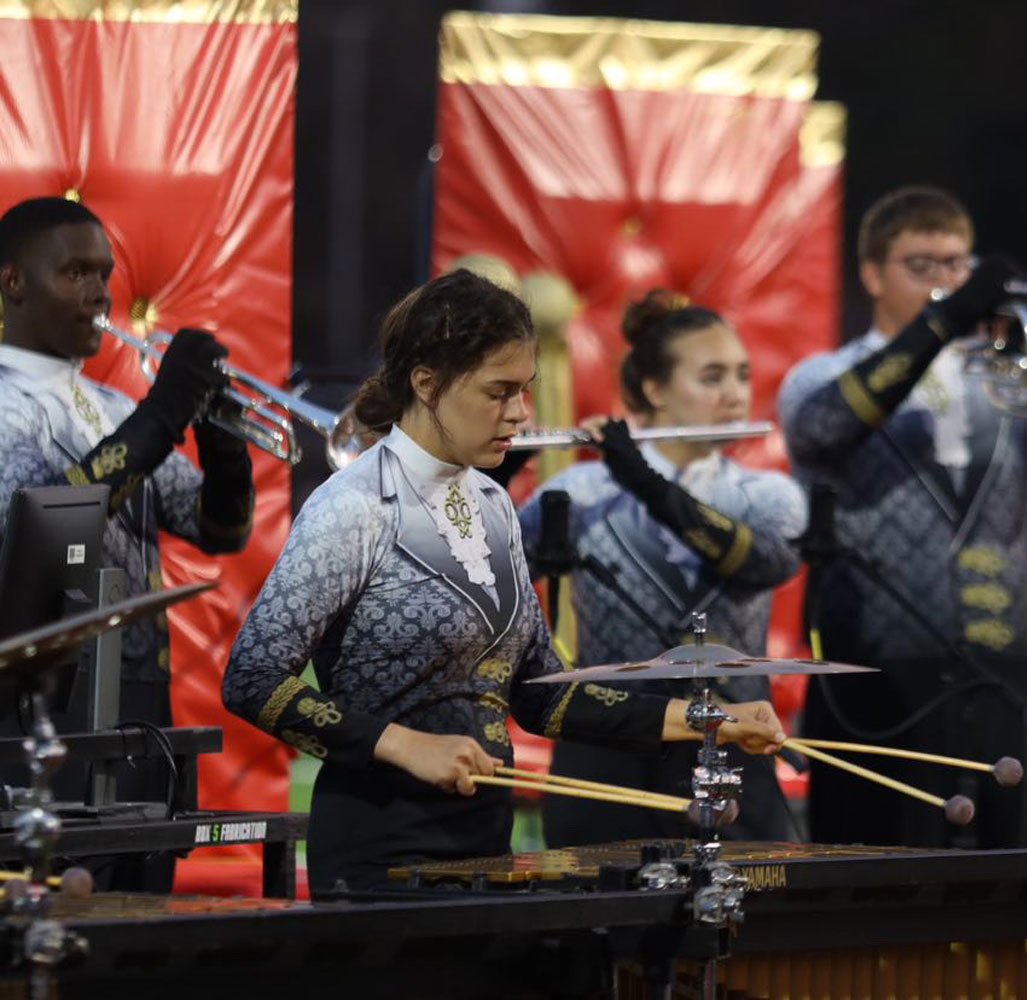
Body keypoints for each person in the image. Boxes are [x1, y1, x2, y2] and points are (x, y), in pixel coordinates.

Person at [221, 271, 785, 892]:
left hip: (483, 844)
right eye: (499, 392)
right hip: (376, 850)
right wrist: (403, 744)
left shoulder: (492, 502)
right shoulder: (352, 507)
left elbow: (542, 693)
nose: (520, 413)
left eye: (524, 391)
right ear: (427, 384)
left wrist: (707, 719)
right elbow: (252, 679)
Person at [776, 186, 1027, 850]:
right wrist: (944, 322)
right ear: (871, 274)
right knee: (876, 884)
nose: (946, 281)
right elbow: (824, 430)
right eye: (922, 266)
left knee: (1008, 888)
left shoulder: (1005, 383)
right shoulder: (821, 374)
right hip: (873, 674)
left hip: (1002, 669)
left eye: (957, 266)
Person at [0, 196, 255, 889]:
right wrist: (166, 411)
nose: (99, 294)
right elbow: (53, 521)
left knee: (143, 920)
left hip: (142, 705)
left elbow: (218, 531)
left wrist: (223, 444)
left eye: (104, 274)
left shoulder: (111, 407)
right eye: (75, 273)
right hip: (45, 706)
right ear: (14, 281)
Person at [516, 290, 807, 847]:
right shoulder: (578, 492)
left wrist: (647, 485)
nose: (735, 395)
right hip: (608, 758)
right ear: (654, 389)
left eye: (742, 375)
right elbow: (492, 580)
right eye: (712, 377)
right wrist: (498, 476)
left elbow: (757, 561)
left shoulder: (768, 496)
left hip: (733, 751)